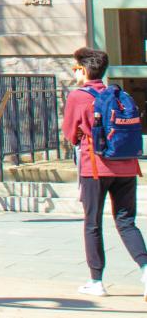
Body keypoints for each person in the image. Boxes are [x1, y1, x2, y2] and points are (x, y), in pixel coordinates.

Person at [63, 47, 147, 299]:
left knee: (92, 223)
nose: (74, 73)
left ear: (84, 70)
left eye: (75, 68)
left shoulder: (78, 97)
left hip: (95, 167)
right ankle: (145, 267)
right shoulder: (120, 94)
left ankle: (96, 280)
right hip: (126, 165)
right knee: (126, 220)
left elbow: (70, 132)